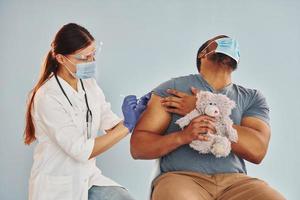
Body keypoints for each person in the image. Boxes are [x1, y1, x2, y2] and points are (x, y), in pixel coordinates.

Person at [130, 35, 285, 200]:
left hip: (236, 183)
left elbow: (257, 150)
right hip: (181, 178)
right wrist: (182, 136)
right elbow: (138, 147)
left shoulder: (252, 98)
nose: (229, 45)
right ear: (202, 54)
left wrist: (201, 109)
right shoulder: (172, 89)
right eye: (220, 43)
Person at [24, 23, 149, 200]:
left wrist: (137, 114)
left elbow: (110, 126)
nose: (90, 62)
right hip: (57, 188)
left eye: (93, 55)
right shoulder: (47, 96)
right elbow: (81, 151)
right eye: (83, 58)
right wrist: (127, 126)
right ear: (60, 58)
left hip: (87, 179)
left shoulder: (88, 84)